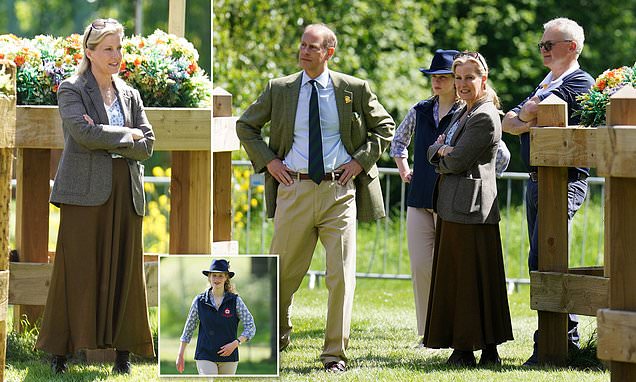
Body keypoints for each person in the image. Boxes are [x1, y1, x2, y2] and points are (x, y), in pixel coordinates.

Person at [236, 23, 395, 372]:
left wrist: (359, 162)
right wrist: (270, 162)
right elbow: (245, 125)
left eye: (313, 47)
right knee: (282, 273)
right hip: (294, 189)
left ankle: (334, 355)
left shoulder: (352, 88)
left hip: (339, 192)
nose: (304, 51)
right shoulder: (279, 89)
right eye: (303, 45)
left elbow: (385, 127)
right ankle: (277, 334)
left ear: (329, 52)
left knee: (340, 276)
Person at [35, 18, 155, 374]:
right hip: (84, 193)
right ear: (90, 52)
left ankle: (123, 355)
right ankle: (60, 353)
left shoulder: (130, 94)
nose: (117, 55)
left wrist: (114, 134)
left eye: (119, 48)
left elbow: (148, 144)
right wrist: (127, 135)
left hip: (126, 191)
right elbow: (82, 134)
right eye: (109, 49)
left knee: (125, 271)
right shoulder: (71, 88)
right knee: (77, 271)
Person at [501, 17, 594, 366]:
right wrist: (526, 120)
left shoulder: (580, 81)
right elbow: (510, 122)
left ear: (571, 47)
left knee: (547, 260)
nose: (542, 51)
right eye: (541, 45)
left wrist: (525, 118)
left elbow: (526, 112)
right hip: (538, 180)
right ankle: (556, 342)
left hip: (563, 181)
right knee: (539, 261)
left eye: (548, 45)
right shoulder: (550, 81)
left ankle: (558, 343)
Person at [424, 52, 514, 366]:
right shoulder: (468, 110)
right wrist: (441, 149)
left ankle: (466, 350)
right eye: (458, 77)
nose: (462, 84)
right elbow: (443, 151)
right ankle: (487, 350)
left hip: (469, 208)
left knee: (469, 279)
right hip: (462, 206)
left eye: (469, 78)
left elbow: (457, 160)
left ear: (483, 79)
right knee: (473, 278)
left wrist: (439, 150)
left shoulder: (485, 115)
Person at [390, 49, 462, 346]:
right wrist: (404, 169)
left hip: (452, 200)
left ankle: (455, 330)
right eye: (434, 77)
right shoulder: (419, 109)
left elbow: (500, 157)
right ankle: (427, 334)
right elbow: (398, 141)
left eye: (444, 77)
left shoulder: (469, 112)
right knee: (421, 266)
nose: (437, 82)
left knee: (451, 268)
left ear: (457, 81)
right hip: (419, 198)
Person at [176, 259, 256, 375]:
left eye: (220, 276)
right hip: (205, 354)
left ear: (226, 278)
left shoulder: (235, 301)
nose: (217, 279)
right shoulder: (199, 301)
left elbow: (251, 326)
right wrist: (180, 354)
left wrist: (235, 343)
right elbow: (188, 329)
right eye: (214, 275)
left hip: (230, 357)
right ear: (209, 277)